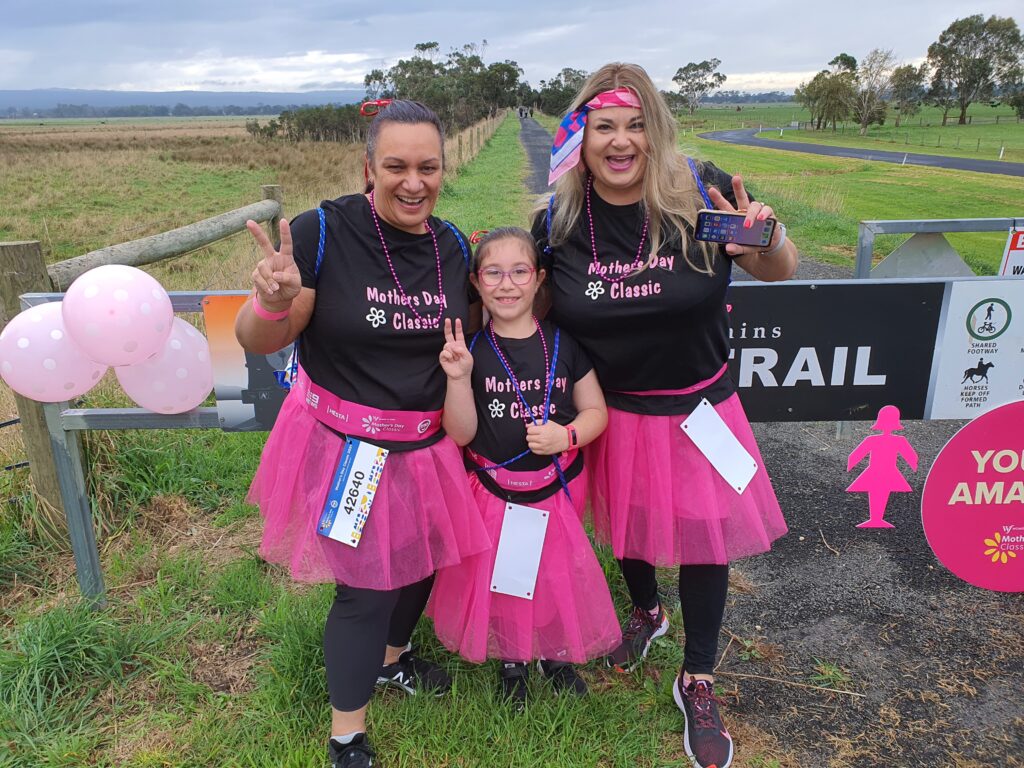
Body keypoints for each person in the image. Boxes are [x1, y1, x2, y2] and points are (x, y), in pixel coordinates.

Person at [533, 63, 797, 768]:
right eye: (604, 128)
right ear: (580, 139)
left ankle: (698, 676)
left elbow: (783, 266)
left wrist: (761, 241)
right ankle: (647, 611)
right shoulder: (557, 222)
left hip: (701, 411)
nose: (621, 143)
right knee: (629, 527)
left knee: (706, 541)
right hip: (615, 415)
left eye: (637, 125)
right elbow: (522, 313)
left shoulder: (699, 189)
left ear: (657, 130)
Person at [235, 100, 488, 768]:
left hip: (427, 446)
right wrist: (272, 298)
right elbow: (263, 338)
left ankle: (392, 660)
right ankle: (347, 735)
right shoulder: (326, 233)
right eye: (397, 166)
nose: (414, 183)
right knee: (366, 586)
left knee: (420, 560)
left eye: (428, 167)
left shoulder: (452, 244)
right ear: (368, 167)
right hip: (346, 449)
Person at [427, 227, 617, 707]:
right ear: (476, 281)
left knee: (555, 574)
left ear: (539, 279)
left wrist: (566, 436)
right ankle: (513, 658)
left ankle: (553, 652)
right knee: (505, 576)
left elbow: (597, 412)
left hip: (554, 490)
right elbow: (463, 433)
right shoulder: (471, 350)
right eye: (493, 272)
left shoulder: (565, 344)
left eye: (519, 272)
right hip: (494, 492)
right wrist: (458, 379)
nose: (507, 284)